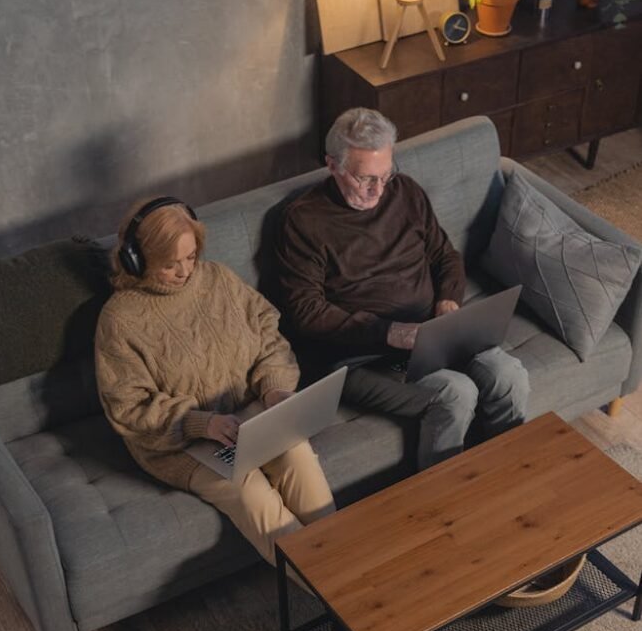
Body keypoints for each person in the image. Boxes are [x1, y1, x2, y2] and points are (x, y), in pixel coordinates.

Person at [276, 108, 529, 470]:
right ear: (333, 166)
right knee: (457, 394)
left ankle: (505, 476)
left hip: (432, 332)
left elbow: (445, 256)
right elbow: (306, 311)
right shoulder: (303, 220)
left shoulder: (405, 191)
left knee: (510, 376)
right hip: (362, 356)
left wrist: (447, 304)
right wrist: (391, 333)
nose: (379, 190)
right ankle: (444, 504)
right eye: (365, 179)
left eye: (385, 174)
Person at [95, 196, 335, 575]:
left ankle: (351, 572)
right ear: (137, 260)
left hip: (251, 415)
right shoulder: (120, 320)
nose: (185, 271)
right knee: (251, 492)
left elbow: (268, 334)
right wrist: (201, 423)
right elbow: (128, 406)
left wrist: (273, 388)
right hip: (185, 443)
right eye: (169, 265)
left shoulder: (219, 278)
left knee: (298, 456)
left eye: (190, 257)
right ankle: (337, 600)